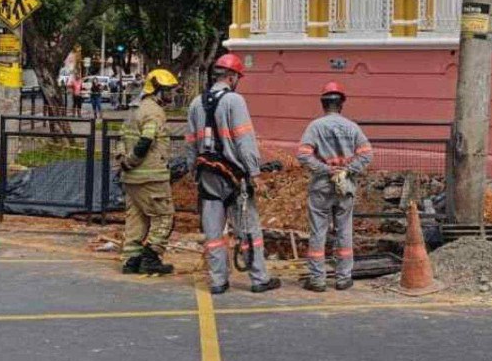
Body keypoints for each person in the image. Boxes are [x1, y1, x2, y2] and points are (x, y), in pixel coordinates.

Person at [185, 54, 280, 295]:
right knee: (249, 229)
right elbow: (244, 141)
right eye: (237, 76)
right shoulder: (234, 101)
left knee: (213, 232)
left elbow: (190, 142)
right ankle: (259, 278)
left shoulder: (197, 102)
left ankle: (218, 281)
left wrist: (192, 170)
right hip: (235, 176)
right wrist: (254, 173)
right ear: (232, 77)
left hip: (207, 174)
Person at [297, 82, 373, 292]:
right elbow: (367, 154)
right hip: (345, 186)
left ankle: (317, 280)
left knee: (318, 232)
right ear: (341, 104)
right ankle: (343, 278)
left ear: (323, 104)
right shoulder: (352, 127)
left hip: (321, 186)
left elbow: (303, 154)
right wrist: (348, 170)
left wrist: (323, 169)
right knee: (344, 231)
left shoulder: (316, 127)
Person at [118, 69, 179, 276]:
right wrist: (133, 161)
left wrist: (124, 163)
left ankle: (131, 260)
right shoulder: (154, 112)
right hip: (151, 176)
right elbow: (146, 140)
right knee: (164, 217)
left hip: (131, 178)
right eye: (169, 90)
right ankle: (151, 257)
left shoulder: (134, 109)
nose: (172, 95)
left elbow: (121, 138)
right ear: (157, 90)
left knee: (136, 220)